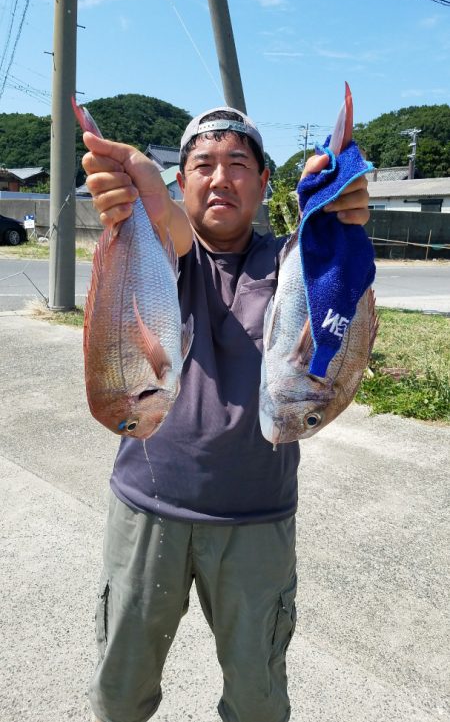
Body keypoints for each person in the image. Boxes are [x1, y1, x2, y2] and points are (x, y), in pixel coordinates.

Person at [82, 106, 370, 722]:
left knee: (258, 697)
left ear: (265, 181)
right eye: (202, 166)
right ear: (181, 182)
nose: (220, 179)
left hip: (258, 523)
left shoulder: (295, 265)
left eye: (238, 165)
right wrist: (148, 201)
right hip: (147, 514)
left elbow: (340, 308)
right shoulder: (164, 255)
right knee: (119, 691)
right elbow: (170, 228)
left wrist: (342, 217)